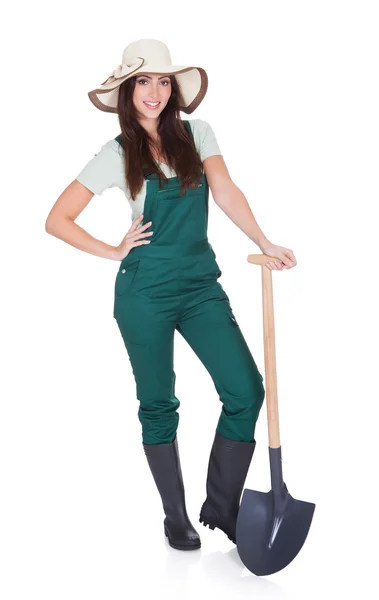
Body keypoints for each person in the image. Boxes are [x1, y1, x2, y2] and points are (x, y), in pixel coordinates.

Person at [45, 38, 297, 552]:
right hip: (144, 293)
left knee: (246, 389)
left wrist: (264, 241)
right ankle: (175, 516)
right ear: (127, 90)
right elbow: (57, 219)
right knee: (158, 404)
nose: (155, 91)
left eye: (163, 81)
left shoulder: (198, 134)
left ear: (174, 88)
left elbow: (225, 190)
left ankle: (221, 508)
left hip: (200, 285)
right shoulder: (116, 153)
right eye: (143, 81)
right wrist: (113, 250)